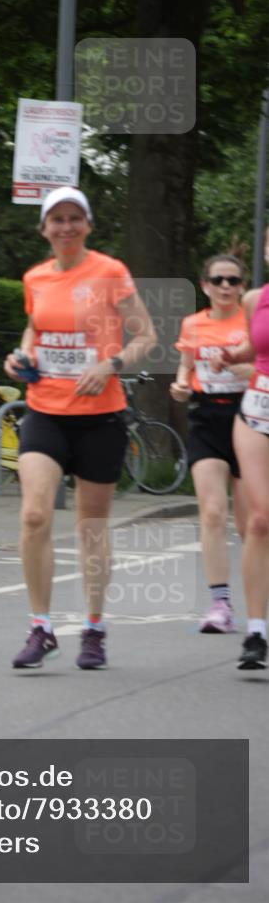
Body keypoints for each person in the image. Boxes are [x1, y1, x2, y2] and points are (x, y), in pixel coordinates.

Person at [4, 186, 156, 670]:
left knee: (91, 528)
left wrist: (111, 365)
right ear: (44, 228)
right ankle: (41, 627)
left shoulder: (110, 272)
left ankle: (94, 628)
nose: (66, 227)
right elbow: (35, 328)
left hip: (99, 418)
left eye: (74, 218)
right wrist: (20, 355)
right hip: (45, 411)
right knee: (34, 515)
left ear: (87, 225)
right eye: (57, 219)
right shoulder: (35, 277)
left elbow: (146, 336)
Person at [169, 255, 252, 633]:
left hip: (249, 418)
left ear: (242, 286)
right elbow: (185, 366)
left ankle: (259, 602)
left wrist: (249, 369)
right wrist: (180, 386)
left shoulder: (252, 319)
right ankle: (220, 604)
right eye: (218, 280)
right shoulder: (193, 324)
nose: (225, 286)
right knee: (213, 513)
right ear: (205, 285)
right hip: (206, 419)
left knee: (252, 525)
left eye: (233, 280)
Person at [213, 255, 269, 668]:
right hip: (257, 411)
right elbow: (255, 345)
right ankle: (256, 632)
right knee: (260, 520)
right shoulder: (254, 299)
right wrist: (232, 356)